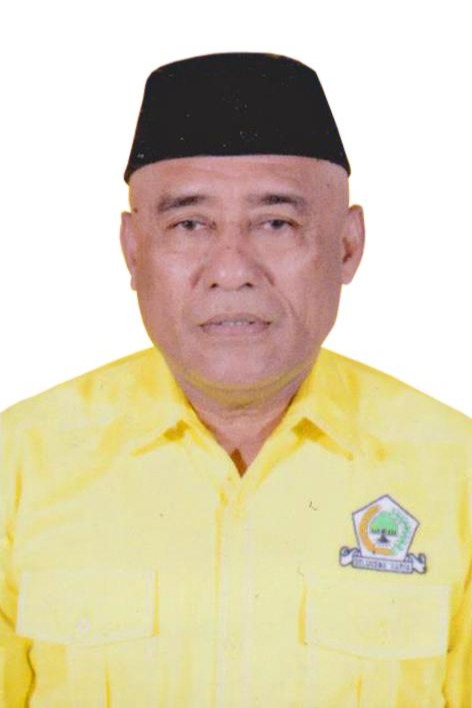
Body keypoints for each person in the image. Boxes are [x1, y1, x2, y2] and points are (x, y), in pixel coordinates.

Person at [0, 52, 470, 707]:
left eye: (276, 223)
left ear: (347, 245)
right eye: (189, 224)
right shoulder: (18, 464)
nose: (231, 270)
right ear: (134, 251)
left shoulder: (455, 473)